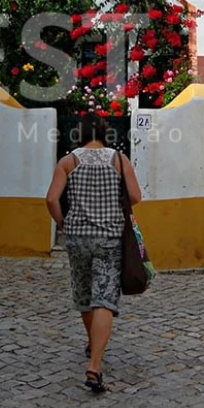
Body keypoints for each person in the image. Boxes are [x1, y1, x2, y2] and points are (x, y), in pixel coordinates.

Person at [45, 116, 142, 394]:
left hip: (77, 238)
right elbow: (136, 197)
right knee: (105, 298)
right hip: (110, 237)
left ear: (79, 134)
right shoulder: (119, 160)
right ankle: (95, 364)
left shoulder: (68, 162)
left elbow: (51, 199)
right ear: (104, 134)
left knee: (85, 295)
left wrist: (63, 222)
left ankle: (92, 341)